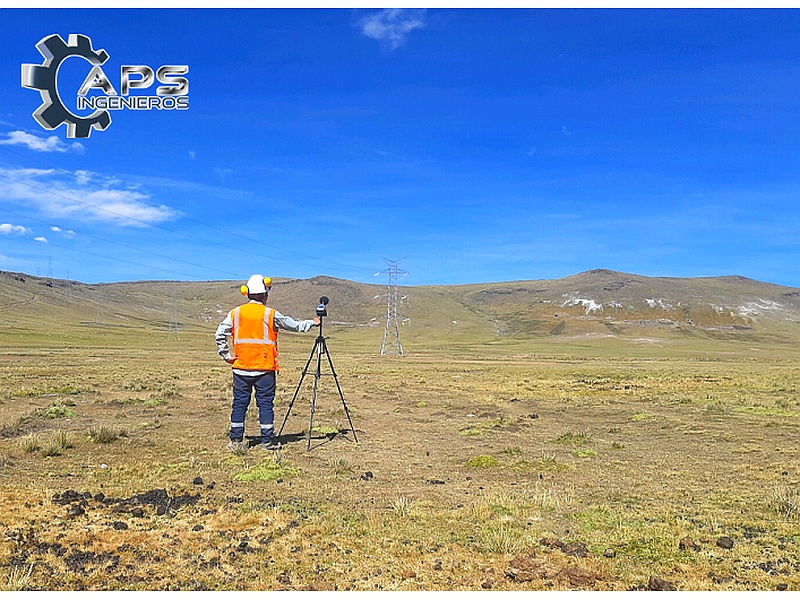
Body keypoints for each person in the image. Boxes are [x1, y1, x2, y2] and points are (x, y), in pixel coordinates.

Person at [215, 274, 319, 452]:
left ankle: (235, 441)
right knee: (265, 404)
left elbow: (219, 334)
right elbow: (293, 325)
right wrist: (313, 322)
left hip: (241, 368)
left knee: (239, 404)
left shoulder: (235, 313)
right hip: (264, 369)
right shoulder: (270, 314)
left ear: (246, 293)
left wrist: (226, 356)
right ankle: (267, 441)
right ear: (265, 295)